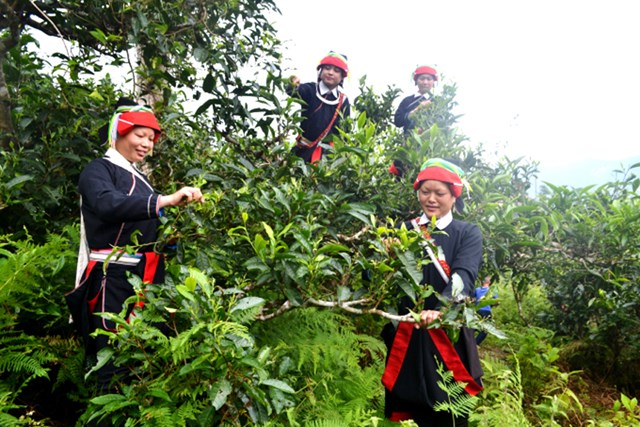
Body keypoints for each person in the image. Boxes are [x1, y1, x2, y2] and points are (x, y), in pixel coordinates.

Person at [65, 98, 204, 392]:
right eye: (140, 135)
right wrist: (164, 200)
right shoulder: (98, 170)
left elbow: (143, 227)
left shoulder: (140, 178)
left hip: (143, 282)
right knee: (113, 369)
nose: (147, 145)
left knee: (138, 365)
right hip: (111, 281)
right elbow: (107, 204)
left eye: (151, 139)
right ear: (119, 132)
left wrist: (171, 238)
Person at [381, 158, 483, 426]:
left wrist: (440, 310)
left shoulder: (468, 233)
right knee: (410, 405)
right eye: (425, 191)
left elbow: (464, 276)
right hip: (409, 331)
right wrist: (386, 259)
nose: (431, 199)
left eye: (440, 193)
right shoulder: (404, 230)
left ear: (453, 196)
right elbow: (382, 280)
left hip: (447, 333)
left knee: (450, 410)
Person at [288, 51, 351, 163]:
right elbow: (294, 91)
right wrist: (292, 84)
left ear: (342, 77)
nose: (330, 73)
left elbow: (344, 132)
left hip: (327, 158)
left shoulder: (343, 101)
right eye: (327, 68)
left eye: (336, 71)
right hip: (302, 152)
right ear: (320, 71)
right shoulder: (310, 90)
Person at [388, 65, 438, 178]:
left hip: (429, 149)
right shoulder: (407, 101)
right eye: (422, 78)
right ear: (416, 81)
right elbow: (398, 121)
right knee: (402, 175)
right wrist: (417, 109)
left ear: (433, 82)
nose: (425, 82)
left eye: (429, 79)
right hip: (408, 144)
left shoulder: (437, 102)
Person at [474, 275, 496, 345]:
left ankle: (468, 341)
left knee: (473, 326)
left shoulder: (477, 289)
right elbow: (496, 301)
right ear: (489, 282)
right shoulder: (491, 291)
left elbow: (472, 298)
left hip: (477, 310)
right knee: (485, 330)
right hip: (486, 311)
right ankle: (475, 343)